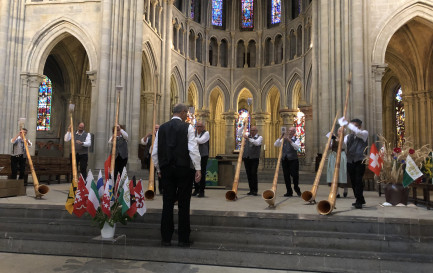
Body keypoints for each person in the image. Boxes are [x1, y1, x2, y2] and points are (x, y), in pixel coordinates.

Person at [152, 103, 201, 247]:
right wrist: (198, 168)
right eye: (187, 113)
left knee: (167, 203)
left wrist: (159, 169)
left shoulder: (162, 128)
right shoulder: (188, 127)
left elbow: (155, 152)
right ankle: (183, 239)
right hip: (183, 169)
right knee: (184, 204)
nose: (187, 115)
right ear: (183, 112)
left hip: (166, 169)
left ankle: (166, 238)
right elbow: (192, 149)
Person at [340, 118, 368, 209]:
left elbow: (358, 132)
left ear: (360, 126)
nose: (353, 128)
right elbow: (343, 146)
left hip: (360, 161)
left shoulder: (364, 133)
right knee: (353, 182)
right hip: (350, 161)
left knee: (358, 181)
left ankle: (359, 201)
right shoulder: (348, 136)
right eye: (352, 126)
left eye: (355, 126)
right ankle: (359, 198)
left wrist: (348, 123)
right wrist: (339, 138)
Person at [274, 127, 302, 197]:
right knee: (286, 176)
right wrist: (280, 137)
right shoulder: (283, 139)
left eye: (291, 131)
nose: (289, 132)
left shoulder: (296, 139)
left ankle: (296, 188)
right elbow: (276, 144)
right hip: (285, 160)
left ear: (294, 132)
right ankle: (289, 191)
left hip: (293, 160)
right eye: (289, 130)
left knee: (295, 175)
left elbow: (297, 148)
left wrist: (290, 141)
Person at [326, 127, 348, 198]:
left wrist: (339, 139)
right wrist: (329, 139)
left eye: (342, 131)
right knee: (334, 173)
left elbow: (344, 145)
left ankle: (345, 189)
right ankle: (337, 192)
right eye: (339, 131)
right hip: (333, 156)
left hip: (341, 156)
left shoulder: (346, 138)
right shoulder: (333, 139)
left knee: (342, 172)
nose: (340, 132)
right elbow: (329, 148)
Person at [141, 124, 162, 194]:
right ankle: (153, 189)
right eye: (155, 128)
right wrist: (148, 135)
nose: (156, 130)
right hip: (150, 157)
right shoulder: (150, 137)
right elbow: (143, 142)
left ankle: (161, 189)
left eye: (158, 128)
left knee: (160, 174)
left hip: (159, 156)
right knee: (151, 173)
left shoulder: (162, 136)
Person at [242, 126, 262, 196]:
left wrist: (248, 138)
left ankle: (255, 190)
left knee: (253, 173)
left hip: (254, 158)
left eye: (253, 130)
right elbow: (239, 134)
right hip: (246, 157)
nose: (252, 132)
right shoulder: (248, 136)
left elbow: (256, 143)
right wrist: (243, 126)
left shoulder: (259, 137)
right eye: (251, 130)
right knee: (249, 174)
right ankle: (251, 190)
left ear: (256, 131)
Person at [192, 121, 209, 198]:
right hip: (194, 155)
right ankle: (196, 189)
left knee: (202, 173)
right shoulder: (193, 133)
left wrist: (192, 139)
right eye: (197, 126)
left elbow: (201, 141)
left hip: (203, 156)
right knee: (194, 173)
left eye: (199, 126)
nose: (198, 128)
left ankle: (202, 191)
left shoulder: (206, 133)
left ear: (203, 127)